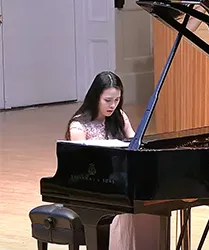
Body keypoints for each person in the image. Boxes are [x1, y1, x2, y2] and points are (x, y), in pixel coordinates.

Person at [65, 71, 162, 249]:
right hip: (91, 184)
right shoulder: (78, 126)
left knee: (149, 204)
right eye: (108, 100)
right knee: (127, 205)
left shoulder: (119, 117)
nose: (113, 105)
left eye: (117, 100)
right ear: (96, 97)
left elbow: (135, 145)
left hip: (117, 180)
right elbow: (81, 165)